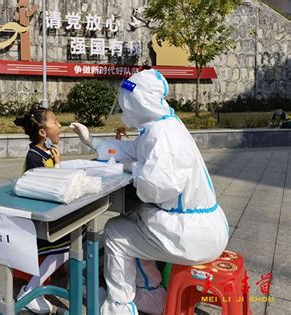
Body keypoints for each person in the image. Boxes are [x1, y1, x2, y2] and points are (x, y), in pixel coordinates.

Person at [71, 69, 229, 315]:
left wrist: (130, 169)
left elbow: (157, 186)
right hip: (192, 225)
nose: (125, 110)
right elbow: (129, 150)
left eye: (128, 104)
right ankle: (149, 295)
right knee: (133, 225)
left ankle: (119, 306)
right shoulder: (161, 126)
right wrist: (92, 141)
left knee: (115, 232)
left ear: (139, 102)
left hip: (190, 233)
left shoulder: (162, 135)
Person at [13, 106, 69, 313]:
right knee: (64, 249)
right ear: (43, 132)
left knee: (68, 247)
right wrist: (58, 165)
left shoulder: (45, 151)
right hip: (39, 219)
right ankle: (30, 290)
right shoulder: (34, 156)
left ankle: (34, 287)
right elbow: (49, 187)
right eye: (55, 122)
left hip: (47, 215)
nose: (60, 125)